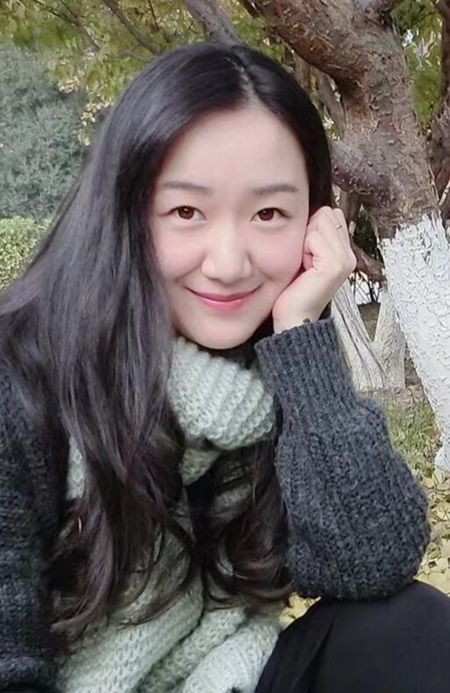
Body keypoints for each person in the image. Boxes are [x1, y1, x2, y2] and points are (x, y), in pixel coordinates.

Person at [0, 41, 449, 693]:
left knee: (406, 626)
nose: (230, 262)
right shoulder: (21, 384)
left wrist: (302, 338)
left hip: (224, 676)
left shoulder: (267, 373)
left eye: (269, 213)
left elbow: (373, 562)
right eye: (186, 211)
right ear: (125, 212)